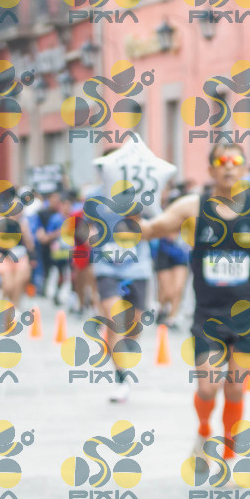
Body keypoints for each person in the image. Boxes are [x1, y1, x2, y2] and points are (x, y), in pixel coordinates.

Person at [140, 139, 250, 453]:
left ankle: (229, 445)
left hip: (247, 314)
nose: (228, 167)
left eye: (235, 162)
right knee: (207, 387)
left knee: (235, 388)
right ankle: (204, 430)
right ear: (210, 169)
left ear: (245, 168)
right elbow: (154, 228)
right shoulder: (193, 207)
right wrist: (131, 225)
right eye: (221, 162)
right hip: (208, 314)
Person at [76, 156, 156, 403]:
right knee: (114, 320)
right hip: (106, 265)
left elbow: (153, 222)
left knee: (136, 321)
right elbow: (87, 226)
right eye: (102, 169)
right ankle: (121, 379)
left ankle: (123, 349)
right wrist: (90, 236)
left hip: (137, 266)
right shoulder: (94, 197)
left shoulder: (138, 193)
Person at [153, 183, 192, 329]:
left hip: (181, 256)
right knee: (167, 291)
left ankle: (171, 318)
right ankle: (161, 308)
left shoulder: (188, 218)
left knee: (178, 288)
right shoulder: (162, 215)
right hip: (164, 254)